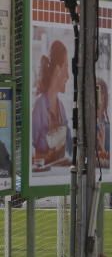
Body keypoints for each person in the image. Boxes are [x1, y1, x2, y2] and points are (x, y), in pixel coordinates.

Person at [31, 40, 72, 169]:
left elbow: (71, 147)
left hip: (57, 178)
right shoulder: (39, 107)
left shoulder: (61, 108)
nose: (68, 75)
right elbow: (27, 151)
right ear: (58, 69)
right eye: (66, 67)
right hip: (41, 179)